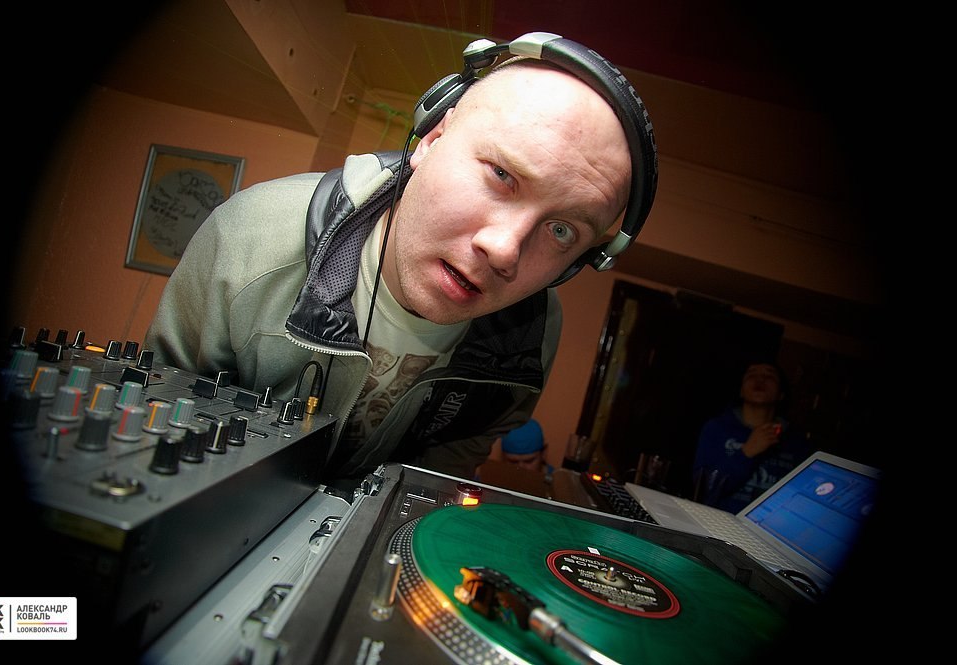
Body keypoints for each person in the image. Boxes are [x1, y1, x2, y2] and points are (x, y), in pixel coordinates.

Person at [143, 33, 657, 488]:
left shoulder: (533, 339)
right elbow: (155, 427)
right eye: (502, 175)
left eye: (562, 231)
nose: (504, 250)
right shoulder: (250, 236)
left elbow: (443, 476)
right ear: (431, 139)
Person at [692, 359, 813, 512]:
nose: (760, 379)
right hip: (716, 518)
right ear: (741, 391)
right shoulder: (717, 428)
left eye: (769, 376)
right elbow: (704, 488)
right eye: (751, 375)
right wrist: (746, 452)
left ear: (781, 394)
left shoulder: (796, 442)